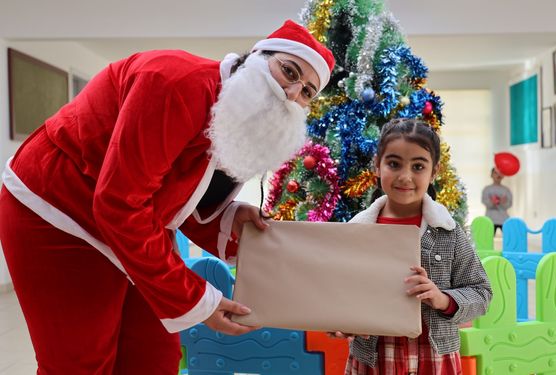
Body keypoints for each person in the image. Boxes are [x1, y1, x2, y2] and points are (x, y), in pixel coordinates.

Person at [0, 19, 334, 374]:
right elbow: (118, 203)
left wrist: (226, 215)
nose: (292, 93)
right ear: (255, 57)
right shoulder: (173, 82)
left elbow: (171, 186)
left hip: (130, 223)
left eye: (308, 92)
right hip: (56, 210)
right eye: (289, 71)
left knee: (154, 356)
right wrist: (198, 300)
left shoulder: (229, 114)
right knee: (81, 361)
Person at [338, 118, 492, 375]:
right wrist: (342, 320)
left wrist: (442, 298)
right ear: (377, 165)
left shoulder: (448, 233)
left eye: (418, 166)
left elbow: (482, 293)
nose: (405, 176)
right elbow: (339, 292)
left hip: (433, 359)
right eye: (394, 164)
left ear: (434, 172)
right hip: (372, 359)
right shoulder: (357, 232)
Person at [481, 167, 512, 233]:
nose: (498, 175)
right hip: (490, 219)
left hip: (504, 219)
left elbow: (509, 204)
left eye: (500, 173)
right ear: (491, 175)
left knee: (508, 239)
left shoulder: (506, 190)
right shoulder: (487, 189)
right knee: (487, 240)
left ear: (503, 176)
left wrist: (504, 202)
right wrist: (491, 202)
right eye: (495, 173)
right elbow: (484, 201)